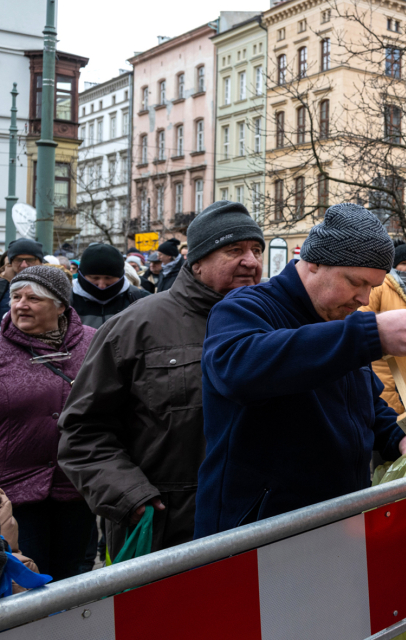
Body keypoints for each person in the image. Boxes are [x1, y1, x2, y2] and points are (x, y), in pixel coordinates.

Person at [194, 203, 406, 537]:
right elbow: (238, 369)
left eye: (373, 287)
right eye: (356, 282)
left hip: (336, 523)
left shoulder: (341, 323)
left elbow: (363, 402)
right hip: (256, 535)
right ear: (313, 263)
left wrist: (397, 436)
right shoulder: (244, 307)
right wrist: (371, 335)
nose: (364, 299)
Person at [58, 201, 266, 558]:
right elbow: (82, 430)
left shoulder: (273, 324)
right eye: (234, 250)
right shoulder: (135, 326)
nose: (251, 261)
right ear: (196, 261)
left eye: (256, 250)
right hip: (165, 532)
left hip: (258, 525)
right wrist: (129, 496)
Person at [0, 265, 96, 581]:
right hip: (13, 495)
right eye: (16, 296)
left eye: (33, 298)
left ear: (60, 305)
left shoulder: (93, 343)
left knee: (75, 580)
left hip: (77, 487)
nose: (20, 304)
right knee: (25, 583)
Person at [358, 243, 406, 414]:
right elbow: (362, 319)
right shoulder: (379, 287)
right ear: (394, 265)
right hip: (384, 366)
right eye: (404, 263)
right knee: (389, 412)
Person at [71, 244, 151, 329]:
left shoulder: (142, 300)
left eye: (108, 278)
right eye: (95, 278)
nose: (101, 285)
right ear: (82, 275)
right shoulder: (65, 301)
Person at [1, 239, 45, 316]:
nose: (24, 265)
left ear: (40, 262)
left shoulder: (54, 286)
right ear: (11, 263)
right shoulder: (2, 287)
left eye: (30, 260)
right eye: (18, 260)